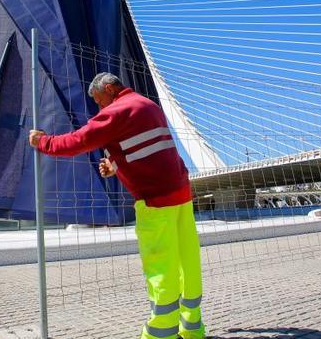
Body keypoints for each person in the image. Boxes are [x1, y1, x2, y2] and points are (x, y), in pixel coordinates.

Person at [29, 72, 205, 339]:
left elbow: (79, 141)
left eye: (100, 101)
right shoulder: (147, 104)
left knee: (161, 266)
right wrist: (115, 165)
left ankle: (161, 332)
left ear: (110, 88)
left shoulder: (118, 110)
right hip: (180, 194)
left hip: (155, 199)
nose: (100, 109)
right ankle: (193, 328)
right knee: (186, 261)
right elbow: (145, 147)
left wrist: (43, 141)